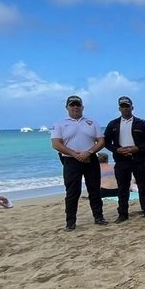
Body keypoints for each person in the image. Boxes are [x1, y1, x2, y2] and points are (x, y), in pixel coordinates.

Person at [50, 95, 107, 230]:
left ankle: (98, 217)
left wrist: (89, 152)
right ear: (67, 107)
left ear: (82, 107)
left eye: (78, 104)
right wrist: (75, 154)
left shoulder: (92, 122)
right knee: (72, 192)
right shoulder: (59, 124)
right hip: (70, 160)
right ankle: (70, 222)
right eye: (72, 104)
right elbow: (56, 144)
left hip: (90, 159)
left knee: (94, 190)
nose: (75, 107)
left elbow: (101, 141)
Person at [104, 96, 145, 222]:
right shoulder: (113, 124)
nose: (125, 108)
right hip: (121, 160)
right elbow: (106, 142)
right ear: (119, 108)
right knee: (122, 188)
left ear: (132, 107)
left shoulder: (142, 123)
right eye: (122, 106)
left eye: (127, 106)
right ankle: (122, 214)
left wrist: (137, 148)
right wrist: (116, 150)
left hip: (139, 159)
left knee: (143, 186)